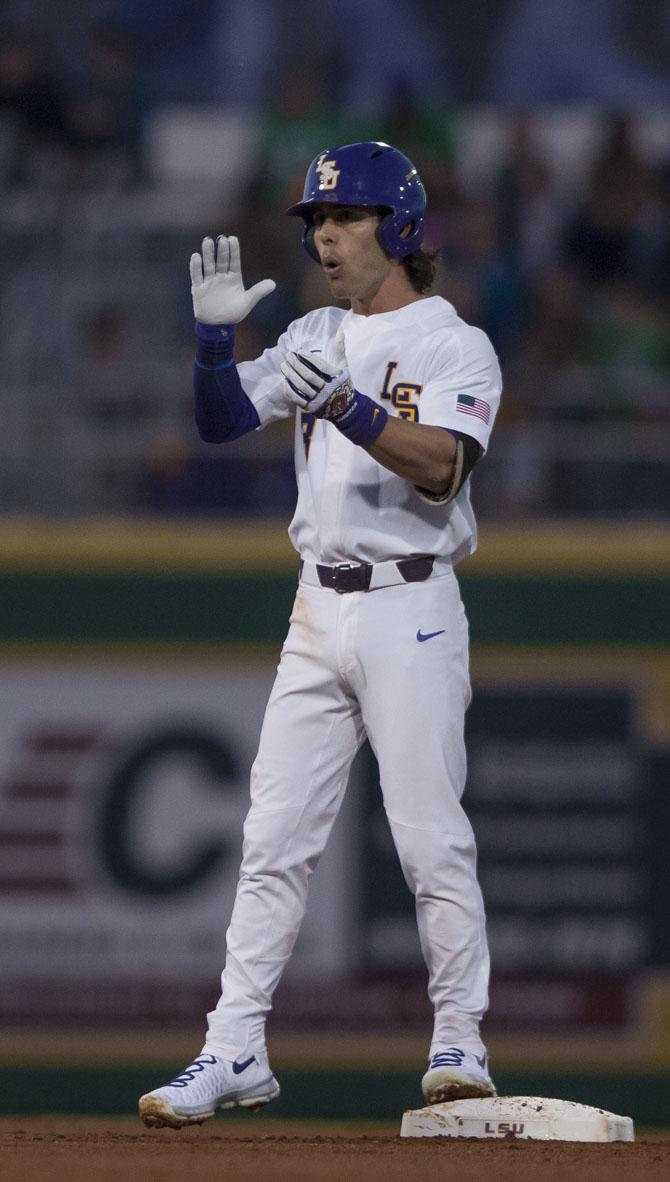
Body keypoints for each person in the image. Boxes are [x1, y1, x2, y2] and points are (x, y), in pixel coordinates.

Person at [139, 141, 502, 1129]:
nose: (326, 235)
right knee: (270, 840)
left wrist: (340, 397)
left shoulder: (451, 342)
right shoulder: (311, 328)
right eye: (315, 222)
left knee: (430, 837)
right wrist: (217, 345)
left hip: (411, 602)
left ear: (404, 229)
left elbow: (441, 470)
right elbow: (219, 423)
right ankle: (233, 1048)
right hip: (317, 604)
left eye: (346, 219)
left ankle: (459, 1037)